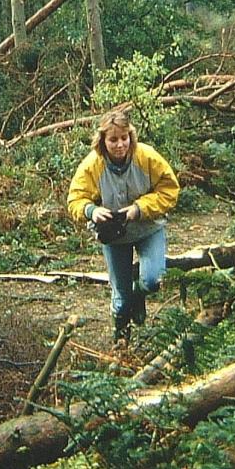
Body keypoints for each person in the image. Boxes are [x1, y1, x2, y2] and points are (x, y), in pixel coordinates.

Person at [67, 110, 179, 344]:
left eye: (124, 138)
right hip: (114, 236)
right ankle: (121, 338)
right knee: (121, 297)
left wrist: (139, 208)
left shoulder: (147, 157)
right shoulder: (92, 166)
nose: (120, 145)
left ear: (131, 136)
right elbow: (75, 199)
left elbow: (169, 190)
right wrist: (92, 211)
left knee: (153, 280)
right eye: (113, 139)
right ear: (103, 141)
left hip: (148, 228)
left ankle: (139, 298)